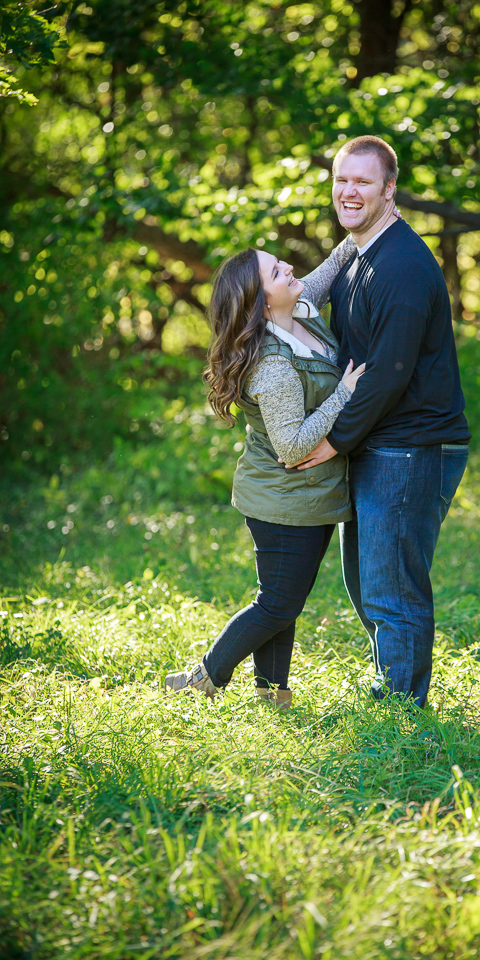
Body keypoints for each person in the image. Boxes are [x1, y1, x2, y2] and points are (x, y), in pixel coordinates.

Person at [290, 135, 471, 709]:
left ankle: (402, 706)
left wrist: (332, 438)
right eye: (341, 180)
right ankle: (391, 685)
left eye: (363, 182)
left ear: (390, 190)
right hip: (380, 441)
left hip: (412, 445)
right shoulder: (359, 252)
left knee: (392, 586)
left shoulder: (402, 266)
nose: (348, 191)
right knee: (366, 581)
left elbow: (389, 373)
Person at [164, 236, 364, 708]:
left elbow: (323, 273)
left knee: (282, 602)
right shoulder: (273, 365)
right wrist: (345, 392)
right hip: (282, 499)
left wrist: (356, 235)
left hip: (307, 496)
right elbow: (292, 446)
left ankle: (273, 693)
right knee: (276, 603)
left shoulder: (299, 311)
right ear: (260, 301)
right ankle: (203, 678)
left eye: (281, 264)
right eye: (277, 272)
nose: (290, 269)